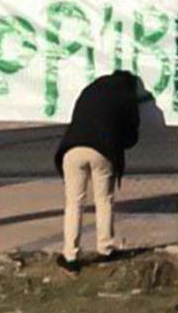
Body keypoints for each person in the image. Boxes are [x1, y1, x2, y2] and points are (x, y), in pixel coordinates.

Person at [54, 69, 147, 269]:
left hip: (72, 149)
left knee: (74, 203)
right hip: (103, 151)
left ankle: (70, 255)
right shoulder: (127, 96)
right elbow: (132, 136)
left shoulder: (90, 89)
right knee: (104, 200)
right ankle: (105, 249)